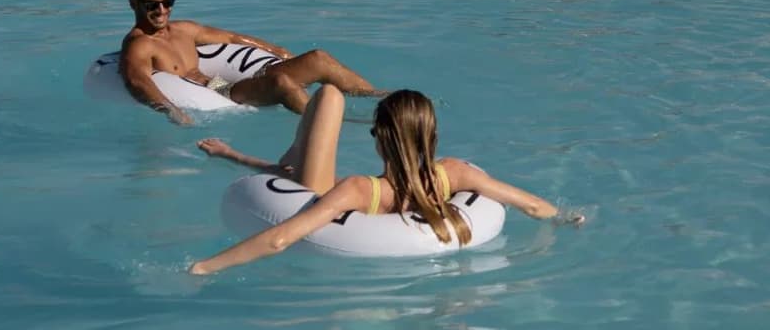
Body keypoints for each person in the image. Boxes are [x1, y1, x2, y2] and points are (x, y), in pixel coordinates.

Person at [188, 86, 583, 275]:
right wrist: (567, 220)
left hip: (336, 203)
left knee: (328, 95)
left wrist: (203, 267)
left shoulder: (360, 189)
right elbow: (531, 205)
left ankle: (239, 155)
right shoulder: (456, 174)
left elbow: (280, 238)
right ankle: (262, 159)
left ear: (379, 137)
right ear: (432, 137)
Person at [120, 0, 383, 123]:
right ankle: (343, 124)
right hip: (217, 92)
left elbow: (233, 39)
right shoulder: (140, 45)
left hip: (222, 81)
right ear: (134, 4)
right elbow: (137, 81)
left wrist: (276, 50)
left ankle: (382, 99)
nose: (163, 10)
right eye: (152, 5)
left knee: (318, 58)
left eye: (168, 2)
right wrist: (170, 111)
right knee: (281, 83)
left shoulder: (182, 29)